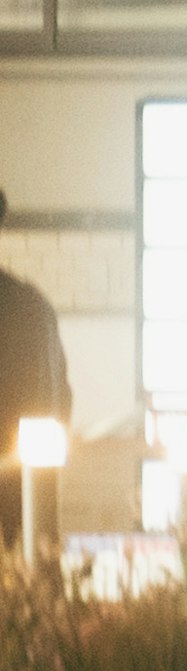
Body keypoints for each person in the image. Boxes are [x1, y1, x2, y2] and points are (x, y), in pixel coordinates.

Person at [0, 186, 73, 474]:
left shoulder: (29, 309)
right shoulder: (32, 307)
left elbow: (53, 406)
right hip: (21, 494)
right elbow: (58, 406)